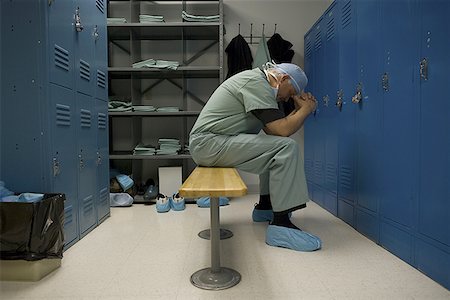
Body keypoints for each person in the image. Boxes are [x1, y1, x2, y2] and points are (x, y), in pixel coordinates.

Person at [189, 62, 321, 252]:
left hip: (212, 143)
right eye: (291, 92)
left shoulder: (259, 83)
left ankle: (265, 208)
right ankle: (281, 227)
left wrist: (301, 111)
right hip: (208, 143)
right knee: (285, 149)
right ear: (283, 79)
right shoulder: (256, 83)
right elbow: (282, 130)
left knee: (275, 150)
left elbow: (275, 131)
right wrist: (306, 109)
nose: (287, 98)